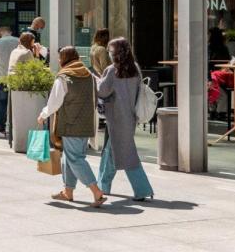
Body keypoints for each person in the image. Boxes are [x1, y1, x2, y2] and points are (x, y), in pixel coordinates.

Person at [38, 46, 106, 207]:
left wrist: (43, 115)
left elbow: (54, 102)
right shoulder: (89, 75)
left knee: (75, 158)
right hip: (86, 123)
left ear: (64, 59)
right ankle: (68, 192)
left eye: (59, 58)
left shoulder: (63, 78)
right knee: (69, 158)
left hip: (70, 124)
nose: (58, 60)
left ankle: (97, 192)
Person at [97, 37, 154, 201]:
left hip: (115, 117)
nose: (108, 53)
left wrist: (96, 79)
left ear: (115, 53)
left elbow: (102, 91)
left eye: (110, 50)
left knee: (126, 154)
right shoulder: (135, 68)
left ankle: (142, 189)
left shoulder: (111, 70)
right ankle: (102, 186)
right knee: (110, 151)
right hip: (130, 117)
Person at [0, 27, 18, 137]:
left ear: (1, 33)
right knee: (16, 103)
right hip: (16, 77)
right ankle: (15, 128)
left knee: (3, 103)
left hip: (2, 77)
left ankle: (2, 130)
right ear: (10, 32)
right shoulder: (18, 40)